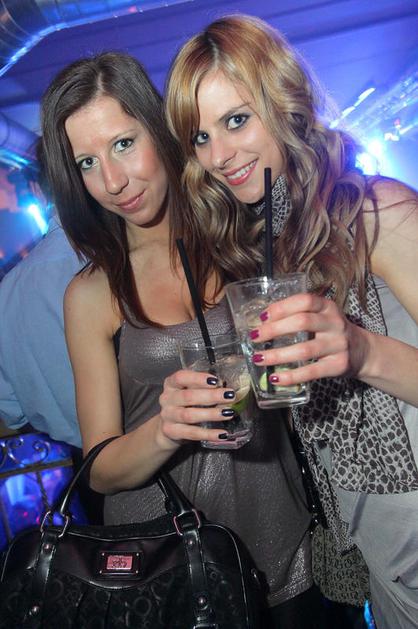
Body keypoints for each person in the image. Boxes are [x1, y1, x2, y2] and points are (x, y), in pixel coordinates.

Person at [40, 51, 319, 627]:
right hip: (169, 568)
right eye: (88, 162)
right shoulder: (93, 292)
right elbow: (99, 468)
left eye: (123, 144)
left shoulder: (238, 238)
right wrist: (165, 429)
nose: (113, 182)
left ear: (159, 127)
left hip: (283, 539)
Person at [165, 14, 418, 629]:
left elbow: (353, 359)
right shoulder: (267, 244)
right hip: (369, 538)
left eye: (236, 120)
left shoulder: (377, 211)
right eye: (200, 136)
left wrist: (361, 350)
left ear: (283, 102)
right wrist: (227, 401)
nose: (219, 156)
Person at [0, 171, 84, 448]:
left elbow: (11, 409)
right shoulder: (122, 258)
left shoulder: (8, 291)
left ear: (38, 192)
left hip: (79, 454)